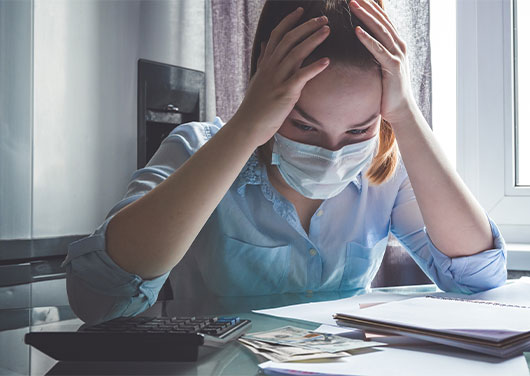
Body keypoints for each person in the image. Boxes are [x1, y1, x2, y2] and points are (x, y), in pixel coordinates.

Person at [64, 0, 507, 324]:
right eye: (304, 126)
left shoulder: (385, 170)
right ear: (266, 96)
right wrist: (245, 128)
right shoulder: (196, 149)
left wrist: (407, 116)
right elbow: (100, 297)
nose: (333, 154)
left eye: (358, 130)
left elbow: (478, 277)